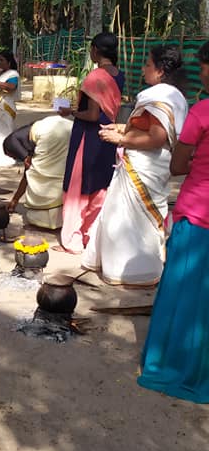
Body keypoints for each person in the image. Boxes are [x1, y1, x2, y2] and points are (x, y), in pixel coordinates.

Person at [138, 42, 209, 401]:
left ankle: (174, 364)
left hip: (198, 213)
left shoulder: (202, 111)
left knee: (183, 292)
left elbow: (178, 165)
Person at [82, 44, 188, 285]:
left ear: (160, 70)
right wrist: (122, 128)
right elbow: (151, 129)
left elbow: (157, 137)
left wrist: (121, 138)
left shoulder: (157, 96)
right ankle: (121, 267)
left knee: (128, 218)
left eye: (147, 65)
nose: (142, 70)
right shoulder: (175, 96)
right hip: (149, 163)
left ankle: (134, 272)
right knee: (124, 216)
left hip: (145, 164)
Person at [57, 32, 125, 253]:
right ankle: (91, 234)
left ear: (96, 50)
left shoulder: (95, 77)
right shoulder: (118, 75)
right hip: (108, 135)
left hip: (89, 136)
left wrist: (71, 111)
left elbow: (92, 115)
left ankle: (72, 239)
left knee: (77, 185)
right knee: (100, 184)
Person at [4, 116, 73, 229]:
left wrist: (14, 200)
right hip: (67, 126)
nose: (13, 158)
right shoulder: (21, 137)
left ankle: (47, 221)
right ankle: (63, 215)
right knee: (61, 170)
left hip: (51, 136)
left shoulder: (11, 143)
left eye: (11, 155)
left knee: (41, 176)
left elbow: (28, 173)